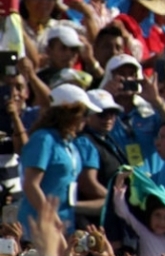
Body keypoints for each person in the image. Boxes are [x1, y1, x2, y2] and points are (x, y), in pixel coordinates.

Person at [18, 85, 103, 236]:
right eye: (84, 113)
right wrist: (52, 219)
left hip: (64, 225)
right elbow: (31, 185)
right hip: (39, 229)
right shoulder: (43, 138)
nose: (87, 118)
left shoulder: (69, 143)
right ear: (68, 113)